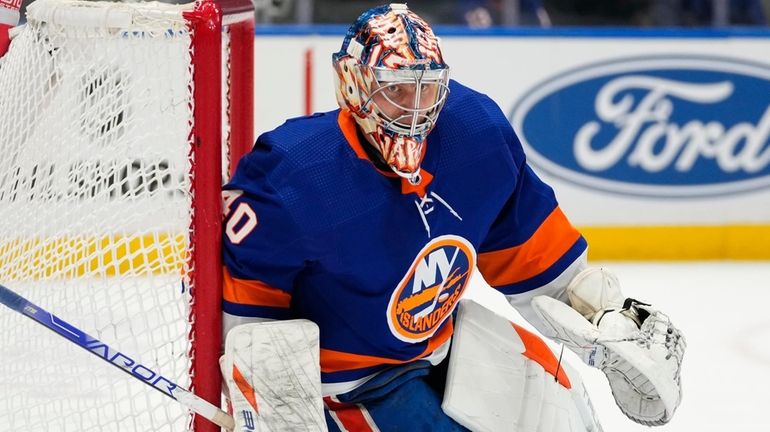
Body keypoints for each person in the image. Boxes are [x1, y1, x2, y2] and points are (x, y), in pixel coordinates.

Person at [220, 3, 685, 431]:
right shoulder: (293, 172)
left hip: (448, 343)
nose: (413, 107)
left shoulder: (474, 132)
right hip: (348, 381)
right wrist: (275, 407)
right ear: (354, 84)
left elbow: (537, 259)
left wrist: (604, 317)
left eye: (427, 89)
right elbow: (252, 326)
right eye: (396, 89)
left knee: (563, 414)